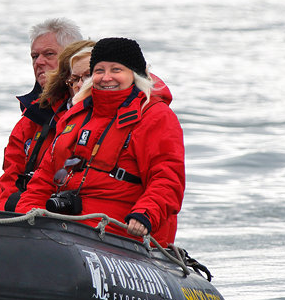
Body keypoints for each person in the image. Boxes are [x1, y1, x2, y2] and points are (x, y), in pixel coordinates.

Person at [16, 37, 185, 245]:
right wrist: (28, 213)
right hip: (69, 228)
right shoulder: (76, 115)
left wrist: (145, 214)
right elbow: (45, 177)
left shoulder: (155, 116)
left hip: (122, 235)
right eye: (99, 70)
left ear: (134, 74)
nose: (106, 78)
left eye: (116, 70)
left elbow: (167, 178)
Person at [0, 18, 83, 212]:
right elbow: (9, 179)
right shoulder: (32, 118)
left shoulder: (98, 114)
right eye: (34, 56)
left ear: (72, 58)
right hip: (30, 214)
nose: (38, 62)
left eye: (49, 54)